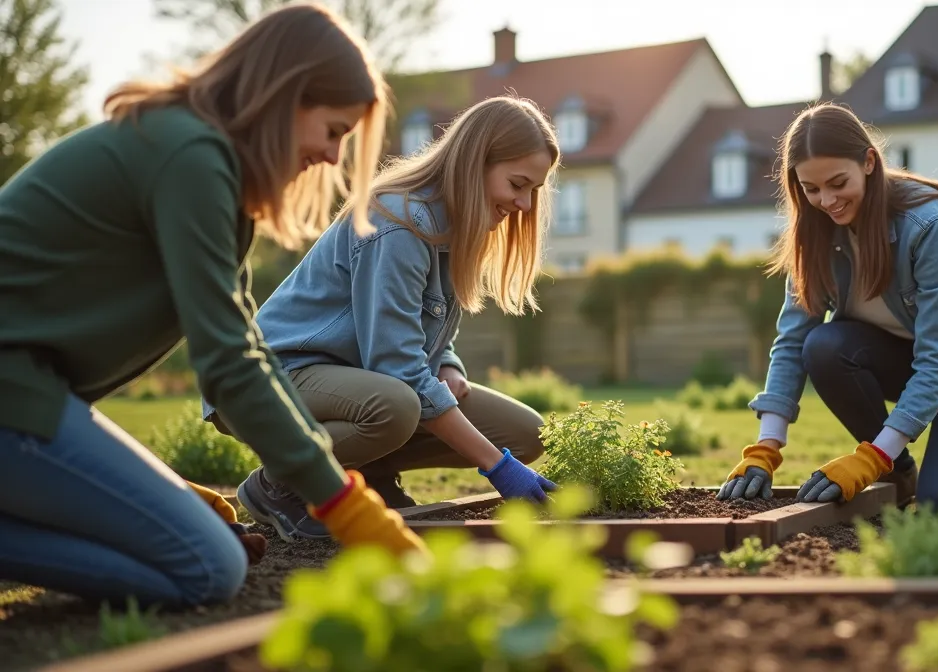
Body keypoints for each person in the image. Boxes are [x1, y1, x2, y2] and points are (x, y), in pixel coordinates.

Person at [0, 3, 428, 609]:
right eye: (333, 131)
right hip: (13, 402)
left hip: (26, 398)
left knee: (190, 542)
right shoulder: (190, 157)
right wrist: (346, 508)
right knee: (207, 564)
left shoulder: (201, 160)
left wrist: (162, 491)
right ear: (286, 97)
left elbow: (249, 348)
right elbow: (228, 365)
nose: (333, 158)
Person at [201, 95, 562, 542]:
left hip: (359, 382)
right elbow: (401, 372)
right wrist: (498, 467)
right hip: (272, 376)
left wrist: (447, 362)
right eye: (517, 184)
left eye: (533, 190)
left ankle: (368, 475)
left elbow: (414, 329)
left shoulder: (454, 226)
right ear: (475, 164)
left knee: (526, 433)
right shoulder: (399, 225)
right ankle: (279, 486)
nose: (524, 204)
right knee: (396, 405)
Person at [718, 103, 938, 510]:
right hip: (909, 354)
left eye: (837, 182)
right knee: (823, 347)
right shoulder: (815, 233)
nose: (826, 200)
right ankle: (900, 474)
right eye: (811, 189)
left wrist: (868, 459)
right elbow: (793, 340)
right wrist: (764, 451)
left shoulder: (931, 226)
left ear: (868, 162)